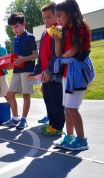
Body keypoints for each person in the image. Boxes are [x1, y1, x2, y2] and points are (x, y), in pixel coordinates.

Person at [52, 0, 95, 150]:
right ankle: (69, 137)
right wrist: (57, 39)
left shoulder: (80, 26)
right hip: (67, 72)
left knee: (72, 107)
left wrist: (62, 59)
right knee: (67, 107)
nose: (57, 19)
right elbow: (59, 54)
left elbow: (75, 50)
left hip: (77, 72)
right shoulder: (65, 30)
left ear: (70, 13)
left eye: (59, 15)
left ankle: (82, 141)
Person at [33, 2, 65, 135]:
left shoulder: (57, 30)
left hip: (54, 73)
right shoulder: (45, 32)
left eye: (49, 17)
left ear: (56, 16)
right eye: (44, 18)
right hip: (45, 74)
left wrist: (48, 71)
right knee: (48, 100)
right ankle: (52, 123)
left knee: (56, 101)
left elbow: (56, 54)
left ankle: (57, 126)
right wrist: (38, 71)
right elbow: (42, 55)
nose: (46, 20)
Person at [2, 12, 38, 129]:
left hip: (27, 70)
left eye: (16, 26)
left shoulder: (30, 37)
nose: (14, 30)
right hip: (17, 71)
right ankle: (15, 118)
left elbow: (36, 55)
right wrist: (9, 64)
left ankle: (24, 119)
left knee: (25, 95)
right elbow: (16, 57)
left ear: (24, 24)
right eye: (12, 28)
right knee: (10, 93)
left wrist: (24, 59)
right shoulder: (15, 39)